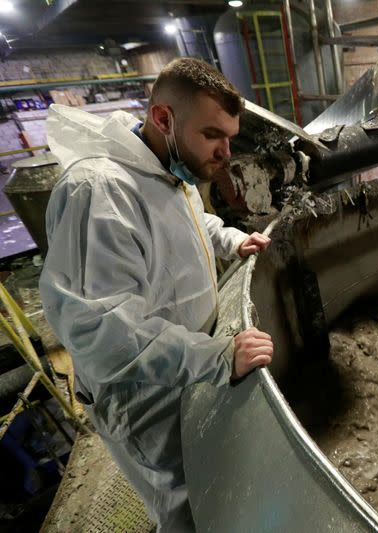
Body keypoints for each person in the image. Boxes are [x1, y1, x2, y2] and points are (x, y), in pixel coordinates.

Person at [39, 58, 274, 531]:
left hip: (185, 364)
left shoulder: (168, 165)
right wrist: (217, 358)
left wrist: (231, 239)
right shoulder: (100, 193)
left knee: (214, 483)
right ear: (163, 118)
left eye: (229, 136)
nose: (226, 152)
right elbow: (102, 330)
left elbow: (186, 223)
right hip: (144, 397)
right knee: (188, 508)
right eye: (213, 135)